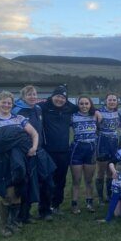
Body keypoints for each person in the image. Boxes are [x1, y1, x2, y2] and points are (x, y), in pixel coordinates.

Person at [0, 91, 39, 237]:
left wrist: (33, 147)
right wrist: (6, 144)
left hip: (19, 160)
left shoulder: (19, 119)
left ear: (12, 104)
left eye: (9, 103)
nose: (6, 105)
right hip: (2, 163)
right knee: (6, 194)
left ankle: (14, 221)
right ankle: (4, 225)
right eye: (4, 102)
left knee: (18, 190)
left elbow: (34, 134)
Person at [12, 85, 53, 222]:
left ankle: (45, 210)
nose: (33, 97)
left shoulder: (37, 109)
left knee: (47, 180)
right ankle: (24, 215)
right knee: (27, 184)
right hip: (26, 153)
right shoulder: (17, 111)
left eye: (34, 94)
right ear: (23, 96)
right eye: (29, 94)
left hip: (40, 150)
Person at [40, 85, 78, 216]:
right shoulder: (43, 107)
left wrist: (95, 110)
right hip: (47, 151)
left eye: (63, 97)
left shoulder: (69, 108)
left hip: (63, 151)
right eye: (57, 96)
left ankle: (56, 205)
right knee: (47, 180)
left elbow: (86, 107)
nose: (60, 100)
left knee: (60, 180)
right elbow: (26, 106)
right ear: (52, 96)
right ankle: (44, 209)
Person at [70, 95, 102, 214]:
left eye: (86, 103)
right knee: (76, 180)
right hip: (77, 150)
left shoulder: (95, 116)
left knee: (89, 180)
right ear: (78, 105)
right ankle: (74, 203)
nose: (84, 106)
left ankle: (89, 203)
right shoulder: (73, 117)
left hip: (90, 150)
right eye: (81, 103)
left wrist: (98, 111)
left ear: (90, 105)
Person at [95, 93, 120, 205]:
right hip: (103, 142)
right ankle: (100, 197)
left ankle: (109, 195)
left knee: (111, 171)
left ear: (117, 102)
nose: (112, 102)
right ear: (106, 101)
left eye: (114, 100)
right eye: (110, 100)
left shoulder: (119, 112)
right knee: (100, 171)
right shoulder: (99, 111)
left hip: (114, 143)